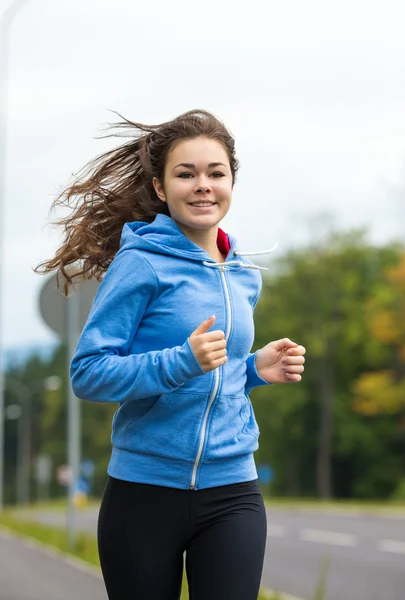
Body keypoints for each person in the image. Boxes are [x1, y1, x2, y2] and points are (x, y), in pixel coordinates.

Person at [36, 109, 306, 600]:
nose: (203, 185)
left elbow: (215, 380)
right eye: (186, 174)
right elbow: (89, 373)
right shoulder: (139, 264)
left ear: (231, 182)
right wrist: (181, 361)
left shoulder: (246, 274)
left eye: (215, 173)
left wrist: (253, 370)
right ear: (161, 188)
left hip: (233, 489)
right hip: (144, 493)